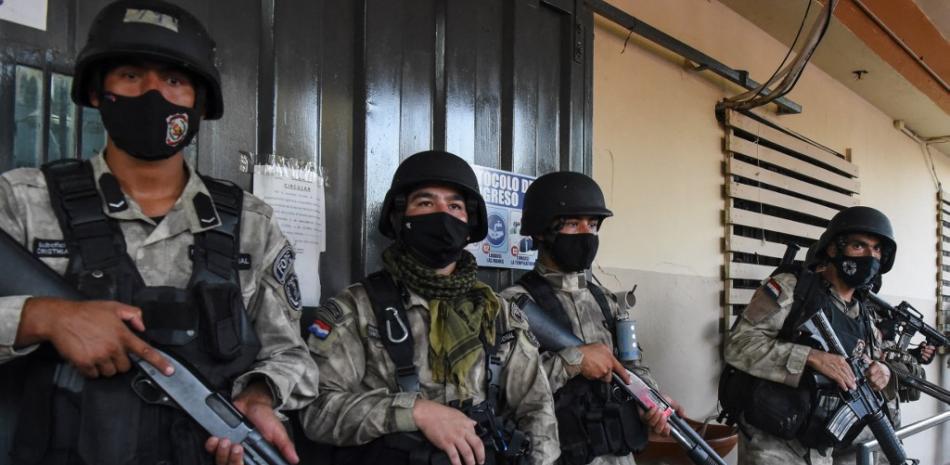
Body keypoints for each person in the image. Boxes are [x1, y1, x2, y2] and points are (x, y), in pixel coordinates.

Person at [0, 1, 317, 464]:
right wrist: (43, 318)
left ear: (199, 103)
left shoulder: (251, 223)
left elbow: (293, 356)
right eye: (130, 75)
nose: (154, 93)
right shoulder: (24, 200)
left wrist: (258, 397)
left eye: (174, 81)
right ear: (96, 93)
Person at [300, 150, 559, 465]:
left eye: (454, 206)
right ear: (400, 218)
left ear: (469, 222)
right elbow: (317, 411)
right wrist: (414, 412)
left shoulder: (498, 313)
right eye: (425, 203)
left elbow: (537, 410)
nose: (442, 214)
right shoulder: (357, 308)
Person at [500, 171, 679, 465]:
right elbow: (507, 389)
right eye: (573, 224)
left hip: (617, 453)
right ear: (542, 231)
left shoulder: (606, 300)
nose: (586, 233)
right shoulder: (514, 304)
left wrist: (652, 400)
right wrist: (572, 362)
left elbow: (631, 366)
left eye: (593, 225)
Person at [721, 206, 899, 465]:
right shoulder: (793, 289)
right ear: (833, 249)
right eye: (859, 246)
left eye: (877, 249)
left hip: (823, 445)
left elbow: (868, 366)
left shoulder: (866, 315)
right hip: (775, 442)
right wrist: (810, 357)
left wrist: (882, 372)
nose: (870, 256)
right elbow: (738, 345)